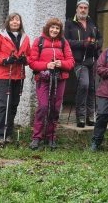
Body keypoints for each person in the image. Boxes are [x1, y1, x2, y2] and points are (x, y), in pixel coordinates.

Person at [28, 18, 75, 150]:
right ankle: (36, 137)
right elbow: (32, 62)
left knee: (55, 108)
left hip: (59, 79)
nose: (54, 30)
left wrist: (62, 63)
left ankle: (51, 136)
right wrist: (46, 65)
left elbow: (71, 62)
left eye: (57, 28)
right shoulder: (39, 41)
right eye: (52, 27)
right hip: (43, 79)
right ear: (48, 28)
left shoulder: (64, 42)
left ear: (60, 30)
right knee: (43, 107)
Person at [0, 13, 31, 146]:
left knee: (13, 105)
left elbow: (30, 55)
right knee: (4, 105)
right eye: (12, 20)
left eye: (17, 20)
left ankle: (9, 134)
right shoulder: (0, 35)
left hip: (19, 75)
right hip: (4, 75)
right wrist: (5, 60)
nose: (15, 22)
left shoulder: (25, 37)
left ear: (20, 22)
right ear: (8, 22)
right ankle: (0, 134)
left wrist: (26, 60)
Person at [64, 0, 102, 127]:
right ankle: (80, 116)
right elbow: (66, 42)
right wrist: (83, 43)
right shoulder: (70, 23)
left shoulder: (92, 22)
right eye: (81, 7)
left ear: (88, 9)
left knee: (92, 88)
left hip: (92, 59)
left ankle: (91, 116)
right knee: (84, 85)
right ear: (76, 9)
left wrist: (96, 44)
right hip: (79, 61)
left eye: (85, 8)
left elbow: (100, 38)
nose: (83, 10)